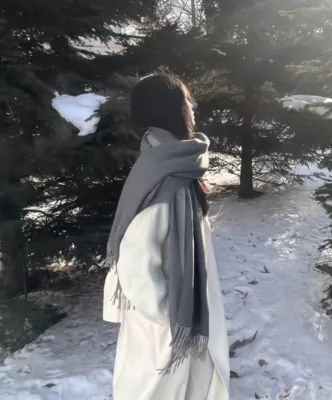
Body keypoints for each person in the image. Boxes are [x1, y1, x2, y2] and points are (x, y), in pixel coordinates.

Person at [103, 72, 230, 400]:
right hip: (166, 333)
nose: (192, 107)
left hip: (179, 315)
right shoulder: (165, 176)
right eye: (187, 100)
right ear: (170, 109)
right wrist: (171, 317)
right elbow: (135, 265)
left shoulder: (174, 163)